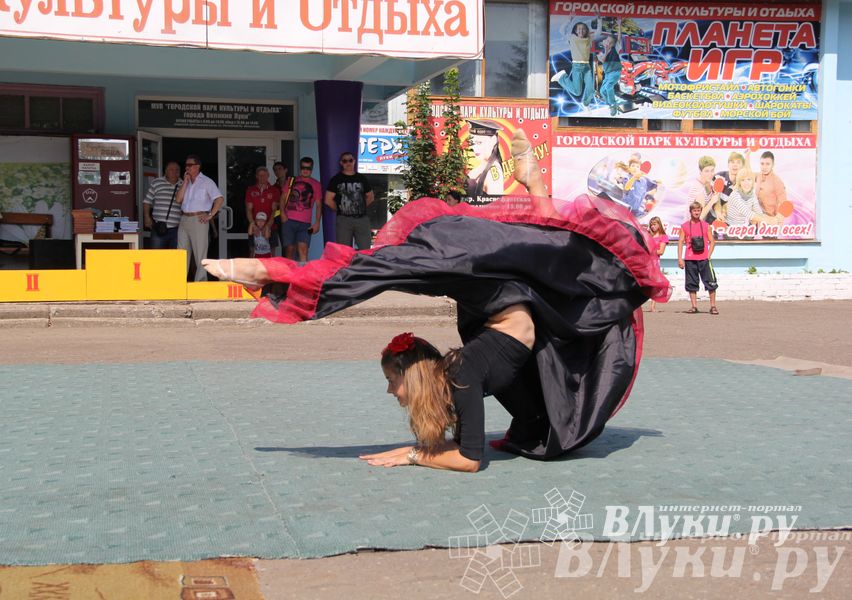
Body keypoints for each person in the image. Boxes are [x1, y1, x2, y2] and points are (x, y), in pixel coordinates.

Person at [200, 147, 670, 469]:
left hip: (502, 295)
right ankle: (275, 274)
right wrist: (420, 451)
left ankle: (277, 275)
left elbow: (465, 453)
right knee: (406, 265)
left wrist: (412, 454)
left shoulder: (463, 376)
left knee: (402, 266)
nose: (391, 392)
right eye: (393, 381)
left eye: (391, 381)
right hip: (504, 293)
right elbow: (468, 456)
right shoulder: (462, 378)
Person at [175, 155, 224, 281]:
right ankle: (180, 280)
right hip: (184, 218)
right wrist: (185, 182)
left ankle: (201, 281)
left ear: (197, 166)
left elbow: (219, 199)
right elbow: (178, 199)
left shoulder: (207, 181)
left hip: (198, 219)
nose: (187, 167)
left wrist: (210, 215)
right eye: (186, 165)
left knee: (200, 252)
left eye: (190, 165)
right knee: (181, 252)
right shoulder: (185, 182)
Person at [324, 152, 374, 249]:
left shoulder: (362, 178)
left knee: (366, 250)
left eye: (350, 160)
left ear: (354, 161)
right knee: (343, 251)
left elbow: (370, 197)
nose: (348, 163)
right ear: (341, 163)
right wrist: (341, 209)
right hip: (344, 220)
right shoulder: (336, 179)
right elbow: (328, 200)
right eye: (345, 161)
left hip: (362, 219)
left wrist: (361, 207)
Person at [678, 201, 718, 315]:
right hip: (690, 259)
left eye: (698, 210)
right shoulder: (684, 226)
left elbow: (712, 241)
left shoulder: (706, 226)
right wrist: (680, 258)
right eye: (694, 210)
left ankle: (713, 306)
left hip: (704, 259)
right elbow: (680, 242)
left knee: (711, 283)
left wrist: (708, 255)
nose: (696, 213)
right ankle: (694, 306)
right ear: (690, 212)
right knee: (691, 283)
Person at [550, 17, 601, 106]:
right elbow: (561, 30)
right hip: (577, 66)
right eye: (579, 29)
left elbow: (598, 32)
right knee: (577, 92)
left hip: (587, 67)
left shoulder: (588, 39)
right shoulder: (572, 38)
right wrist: (569, 20)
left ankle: (585, 104)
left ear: (586, 31)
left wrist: (599, 20)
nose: (581, 31)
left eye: (583, 29)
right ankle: (562, 77)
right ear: (576, 31)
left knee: (590, 88)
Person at [281, 157, 322, 263]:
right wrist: (282, 213)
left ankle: (304, 272)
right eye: (303, 167)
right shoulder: (291, 180)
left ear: (312, 169)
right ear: (300, 168)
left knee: (303, 250)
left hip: (305, 224)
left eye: (308, 168)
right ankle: (289, 273)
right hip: (289, 221)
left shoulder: (316, 184)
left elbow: (319, 205)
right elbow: (283, 198)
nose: (305, 170)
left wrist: (317, 223)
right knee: (289, 250)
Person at [142, 161, 182, 249]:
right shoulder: (157, 183)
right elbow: (147, 201)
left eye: (177, 170)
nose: (174, 172)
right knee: (157, 255)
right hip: (158, 227)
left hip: (177, 229)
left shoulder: (183, 185)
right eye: (171, 170)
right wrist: (147, 217)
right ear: (166, 171)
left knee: (174, 256)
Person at [245, 166, 280, 257]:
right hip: (255, 226)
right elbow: (249, 209)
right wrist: (253, 225)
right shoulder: (251, 190)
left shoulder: (274, 190)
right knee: (252, 252)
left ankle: (270, 267)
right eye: (260, 175)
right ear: (256, 176)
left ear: (268, 175)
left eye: (264, 175)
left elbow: (274, 210)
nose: (262, 177)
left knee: (271, 253)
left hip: (271, 226)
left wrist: (267, 226)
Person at [465, 119, 505, 198]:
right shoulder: (483, 165)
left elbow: (495, 203)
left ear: (493, 140)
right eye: (472, 143)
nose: (474, 148)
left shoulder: (493, 172)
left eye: (479, 143)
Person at [597, 20, 622, 116]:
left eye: (610, 43)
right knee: (602, 91)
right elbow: (603, 60)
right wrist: (606, 50)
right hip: (607, 74)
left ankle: (612, 105)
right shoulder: (601, 51)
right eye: (607, 41)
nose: (608, 43)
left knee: (608, 87)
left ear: (613, 44)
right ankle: (611, 104)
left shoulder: (616, 49)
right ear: (604, 41)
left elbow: (619, 38)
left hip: (615, 72)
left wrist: (619, 24)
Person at [754, 151, 787, 218]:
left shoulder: (777, 181)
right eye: (762, 164)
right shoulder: (758, 175)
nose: (764, 167)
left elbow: (784, 204)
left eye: (767, 164)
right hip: (758, 217)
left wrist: (777, 220)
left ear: (773, 165)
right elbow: (746, 173)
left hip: (771, 219)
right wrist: (747, 155)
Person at [646, 216, 668, 312]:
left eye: (654, 224)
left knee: (655, 284)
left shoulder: (663, 237)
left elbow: (661, 251)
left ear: (659, 225)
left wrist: (650, 251)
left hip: (655, 262)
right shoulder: (647, 235)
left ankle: (653, 306)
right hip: (645, 261)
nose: (653, 226)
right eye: (651, 225)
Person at [271, 161, 289, 253]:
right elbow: (272, 204)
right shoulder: (273, 188)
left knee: (291, 245)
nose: (277, 171)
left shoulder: (292, 184)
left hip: (292, 217)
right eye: (275, 170)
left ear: (286, 170)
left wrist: (280, 203)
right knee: (284, 245)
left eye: (280, 169)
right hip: (278, 219)